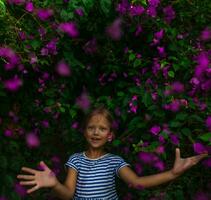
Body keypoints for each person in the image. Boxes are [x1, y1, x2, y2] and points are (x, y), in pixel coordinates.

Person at [17, 106, 208, 200]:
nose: (96, 132)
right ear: (85, 132)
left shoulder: (114, 161)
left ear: (109, 135)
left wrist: (173, 173)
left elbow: (137, 182)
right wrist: (54, 184)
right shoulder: (75, 160)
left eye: (102, 128)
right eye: (91, 127)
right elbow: (67, 194)